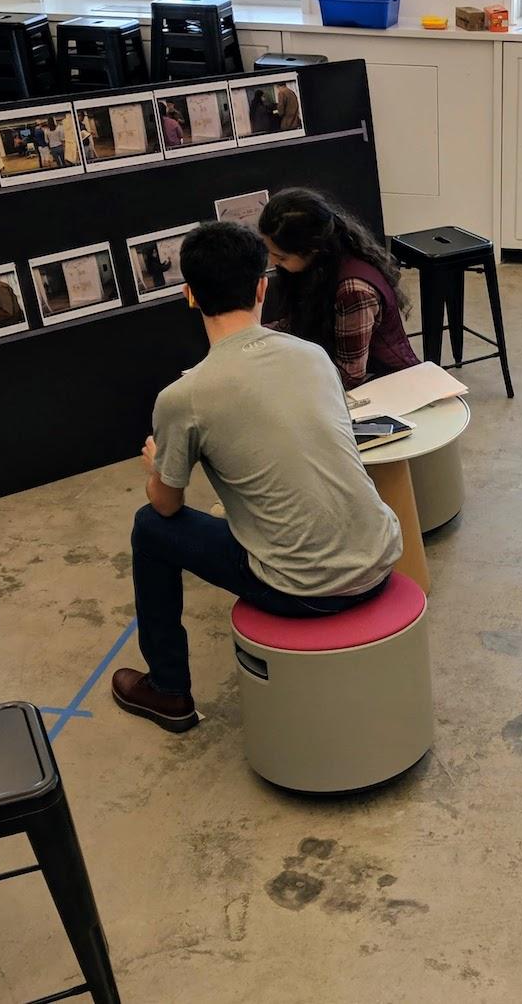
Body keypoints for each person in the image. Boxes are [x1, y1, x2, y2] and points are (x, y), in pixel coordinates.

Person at [111, 222, 403, 732]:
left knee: (148, 528)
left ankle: (168, 690)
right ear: (262, 286)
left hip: (305, 589)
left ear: (189, 296)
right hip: (380, 553)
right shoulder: (312, 357)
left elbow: (167, 507)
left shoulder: (183, 397)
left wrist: (157, 465)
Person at [258, 188, 419, 390]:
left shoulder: (354, 291)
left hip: (384, 385)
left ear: (312, 250)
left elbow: (350, 375)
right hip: (339, 373)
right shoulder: (318, 266)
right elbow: (299, 323)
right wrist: (254, 337)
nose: (272, 262)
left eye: (281, 257)